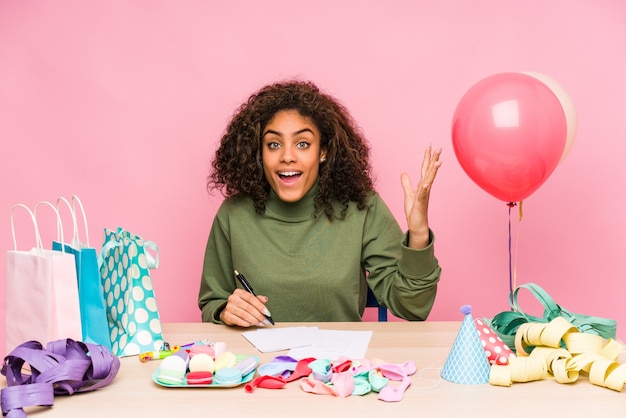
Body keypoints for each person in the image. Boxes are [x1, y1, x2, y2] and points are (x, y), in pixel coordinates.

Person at [199, 79, 442, 327]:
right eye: (274, 144)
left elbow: (412, 306)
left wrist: (419, 234)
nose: (287, 157)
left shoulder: (362, 207)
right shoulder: (234, 214)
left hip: (341, 364)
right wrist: (224, 311)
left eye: (302, 144)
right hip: (259, 362)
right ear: (259, 153)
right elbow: (212, 302)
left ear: (323, 151)